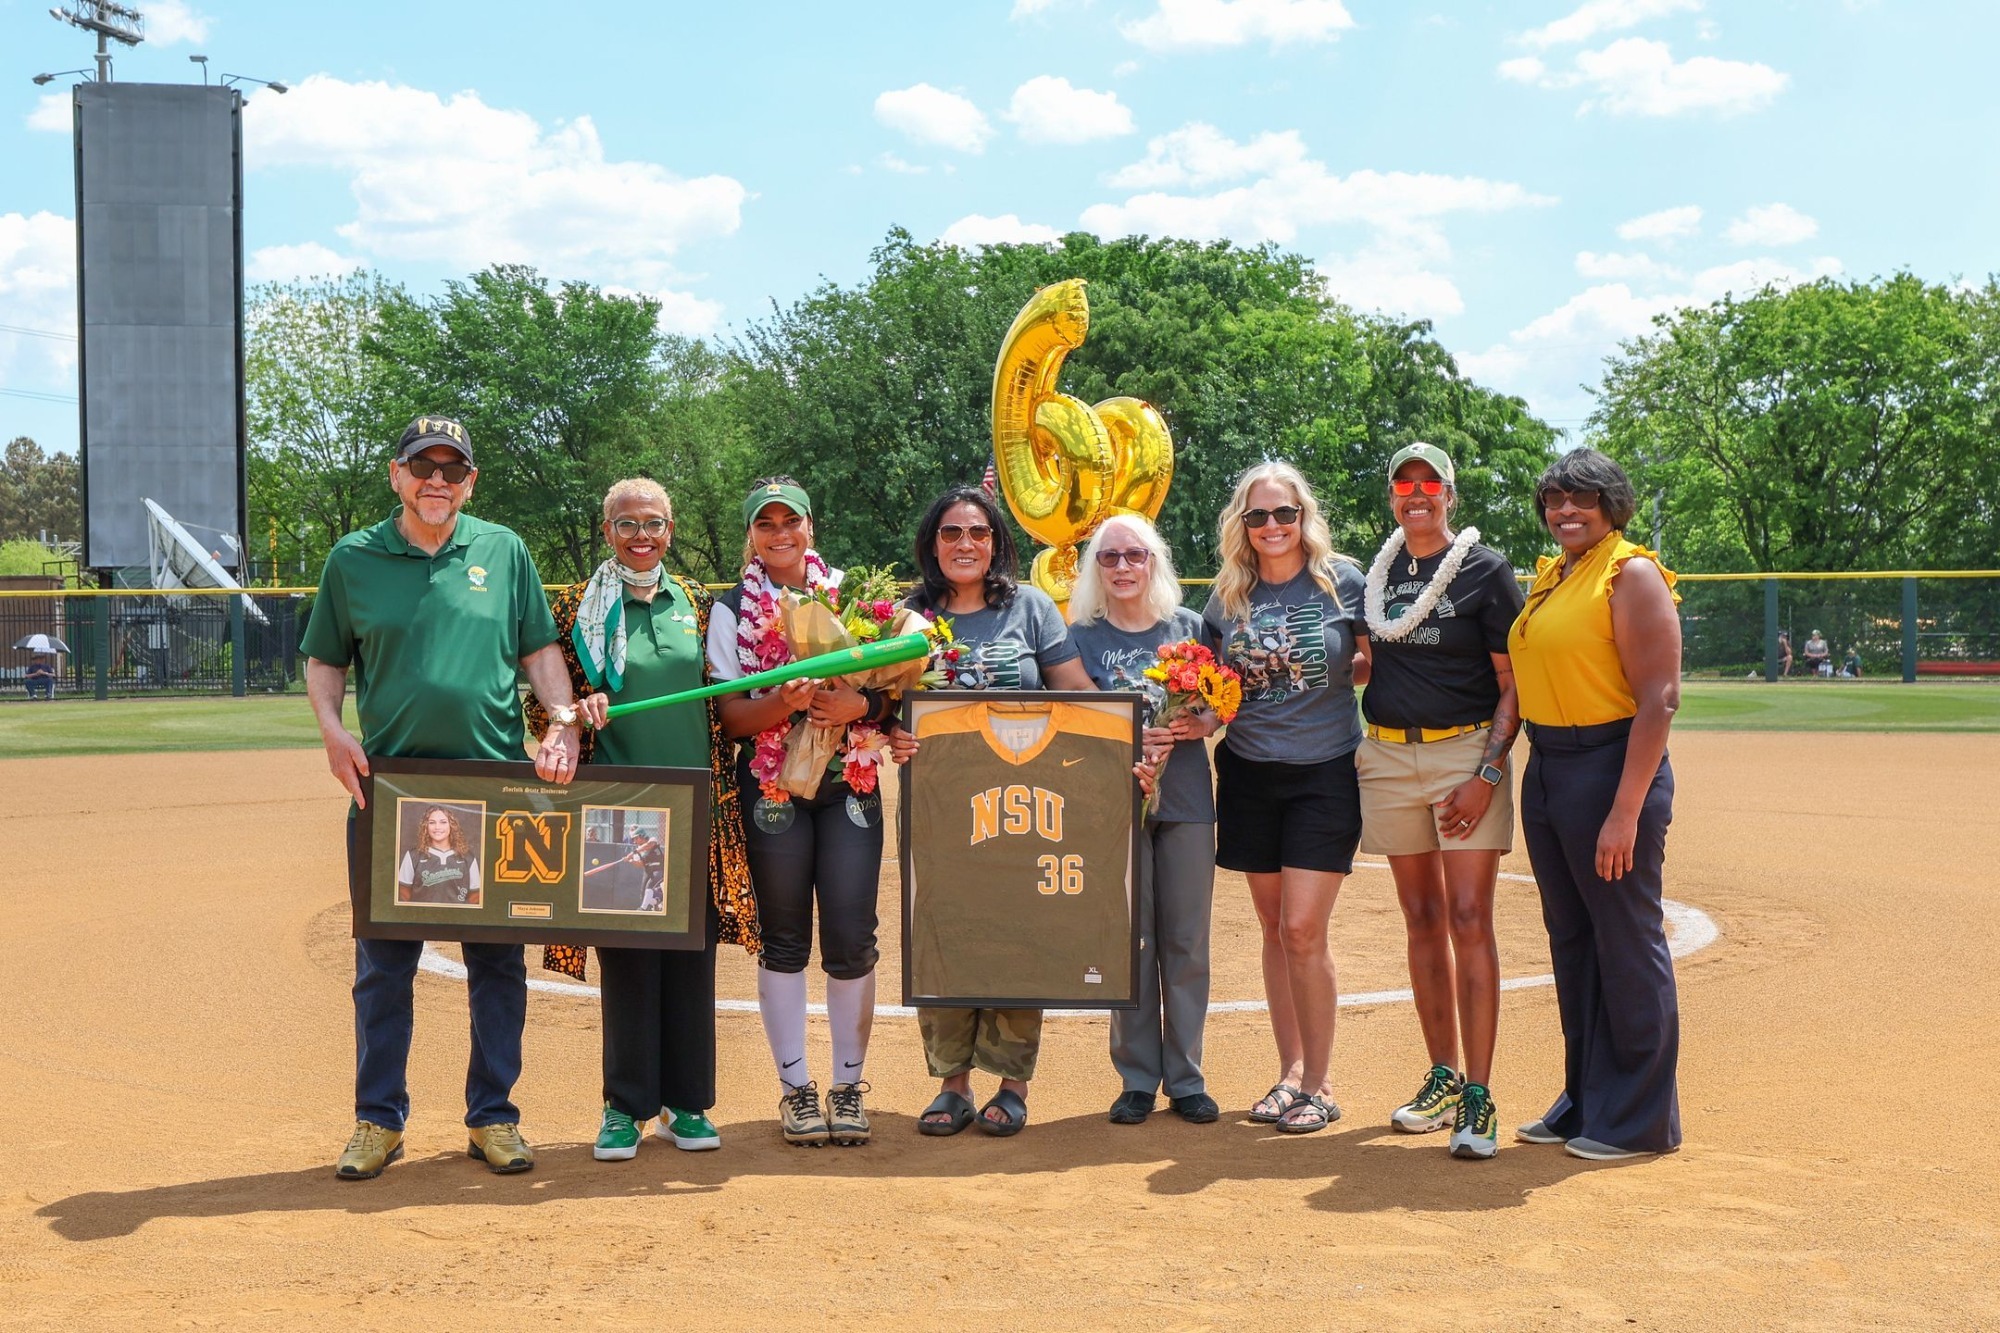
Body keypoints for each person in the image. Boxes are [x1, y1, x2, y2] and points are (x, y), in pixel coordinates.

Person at [303, 415, 582, 1181]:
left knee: (498, 962)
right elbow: (325, 659)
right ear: (396, 475)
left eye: (451, 469)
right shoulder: (353, 558)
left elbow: (540, 652)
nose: (436, 480)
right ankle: (378, 1119)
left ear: (470, 481)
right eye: (421, 466)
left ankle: (493, 1116)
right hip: (390, 788)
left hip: (491, 785)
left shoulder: (503, 550)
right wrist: (331, 729)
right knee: (384, 964)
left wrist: (561, 725)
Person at [524, 477, 759, 1163]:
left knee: (691, 958)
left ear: (671, 528)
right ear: (607, 532)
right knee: (628, 960)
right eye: (627, 524)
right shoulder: (574, 609)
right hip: (618, 812)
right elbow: (546, 702)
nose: (641, 535)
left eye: (654, 522)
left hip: (695, 810)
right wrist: (572, 710)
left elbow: (728, 702)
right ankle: (625, 1106)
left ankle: (686, 1102)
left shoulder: (697, 602)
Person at [892, 485, 1096, 1138]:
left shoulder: (1031, 608)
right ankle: (952, 1083)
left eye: (977, 533)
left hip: (1023, 805)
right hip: (940, 805)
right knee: (946, 933)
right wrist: (888, 731)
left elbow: (1080, 696)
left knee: (1017, 932)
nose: (965, 544)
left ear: (996, 544)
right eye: (951, 533)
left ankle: (1012, 1082)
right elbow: (877, 707)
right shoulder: (908, 618)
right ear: (932, 544)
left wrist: (1133, 740)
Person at [710, 477, 900, 1148]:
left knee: (851, 934)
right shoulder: (731, 608)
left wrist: (863, 707)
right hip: (774, 785)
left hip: (848, 779)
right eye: (767, 523)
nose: (781, 532)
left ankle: (848, 1087)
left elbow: (892, 688)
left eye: (792, 520)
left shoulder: (853, 599)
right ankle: (796, 1090)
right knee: (786, 936)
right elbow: (731, 716)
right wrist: (784, 704)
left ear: (810, 528)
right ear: (752, 536)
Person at [1507, 447, 1683, 1163]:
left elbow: (1661, 698)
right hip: (1550, 768)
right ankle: (1587, 1094)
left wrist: (1625, 810)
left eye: (1579, 498)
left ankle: (1638, 1118)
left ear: (1611, 502)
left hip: (1611, 766)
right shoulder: (1556, 573)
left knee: (1625, 937)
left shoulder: (1630, 572)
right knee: (1573, 940)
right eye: (1553, 499)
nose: (1564, 511)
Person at [1353, 443, 1525, 1160]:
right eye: (1404, 482)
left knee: (1466, 916)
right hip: (1389, 753)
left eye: (1429, 483)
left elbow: (1513, 683)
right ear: (1392, 495)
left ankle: (1480, 1095)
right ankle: (1444, 1077)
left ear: (1449, 493)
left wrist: (1486, 771)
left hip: (1464, 752)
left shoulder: (1486, 570)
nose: (1416, 493)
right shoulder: (1379, 571)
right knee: (1420, 916)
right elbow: (1365, 657)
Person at [1200, 461, 1367, 1135]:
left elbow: (1375, 661)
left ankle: (1321, 1084)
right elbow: (1216, 695)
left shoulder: (1342, 582)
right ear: (1242, 526)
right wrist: (1188, 722)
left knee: (1303, 929)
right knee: (1273, 931)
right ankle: (1290, 1071)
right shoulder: (1226, 598)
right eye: (1259, 516)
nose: (1273, 526)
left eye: (1285, 514)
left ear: (1304, 518)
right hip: (1248, 772)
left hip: (1325, 772)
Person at [1066, 515, 1221, 1126]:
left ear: (1154, 560)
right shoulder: (1079, 637)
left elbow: (1219, 705)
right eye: (1110, 558)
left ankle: (1185, 1077)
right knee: (1130, 942)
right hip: (1115, 809)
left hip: (1185, 804)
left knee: (1186, 942)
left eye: (1135, 554)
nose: (1124, 566)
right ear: (1095, 569)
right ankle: (1136, 1078)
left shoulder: (1190, 628)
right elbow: (1070, 722)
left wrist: (1200, 723)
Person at [397, 805, 482, 906]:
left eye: (443, 822)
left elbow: (476, 894)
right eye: (432, 822)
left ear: (452, 825)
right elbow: (403, 891)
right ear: (426, 826)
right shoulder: (413, 855)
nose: (437, 827)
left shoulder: (468, 857)